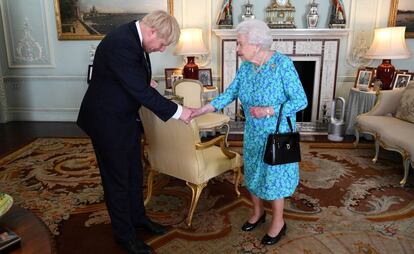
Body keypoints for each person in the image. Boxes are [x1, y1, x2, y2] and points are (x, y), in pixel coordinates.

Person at [77, 10, 192, 254]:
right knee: (117, 180)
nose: (162, 49)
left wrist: (141, 80)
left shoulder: (134, 36)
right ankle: (125, 236)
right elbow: (139, 90)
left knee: (134, 173)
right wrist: (179, 112)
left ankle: (139, 219)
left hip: (125, 117)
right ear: (152, 31)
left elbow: (131, 77)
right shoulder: (121, 43)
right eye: (162, 43)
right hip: (106, 121)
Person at [191, 19, 308, 245]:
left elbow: (301, 100)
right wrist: (204, 108)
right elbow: (231, 92)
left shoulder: (282, 65)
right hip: (253, 132)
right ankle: (257, 212)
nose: (237, 49)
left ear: (257, 44)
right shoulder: (247, 67)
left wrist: (268, 110)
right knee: (253, 172)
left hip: (277, 132)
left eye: (240, 43)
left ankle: (278, 222)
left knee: (274, 178)